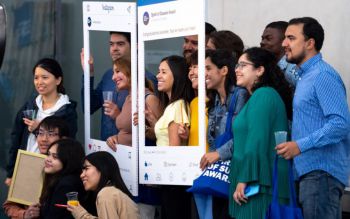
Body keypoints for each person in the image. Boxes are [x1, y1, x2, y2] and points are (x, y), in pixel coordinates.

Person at [276, 17, 350, 219]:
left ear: (310, 43)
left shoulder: (322, 75)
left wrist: (300, 145)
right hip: (310, 174)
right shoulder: (304, 76)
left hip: (321, 174)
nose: (284, 44)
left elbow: (340, 124)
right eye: (284, 38)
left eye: (291, 38)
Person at [229, 47, 293, 218]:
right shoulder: (259, 96)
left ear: (259, 70)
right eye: (237, 65)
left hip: (258, 184)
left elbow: (256, 141)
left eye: (243, 65)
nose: (237, 69)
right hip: (254, 181)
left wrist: (244, 179)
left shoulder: (264, 95)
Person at [6, 58, 77, 186]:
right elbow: (15, 139)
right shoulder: (29, 106)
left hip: (52, 174)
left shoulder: (67, 110)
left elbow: (68, 144)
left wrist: (39, 128)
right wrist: (11, 173)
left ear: (58, 80)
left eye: (45, 77)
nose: (39, 82)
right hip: (26, 167)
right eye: (36, 78)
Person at [81, 31, 157, 141]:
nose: (114, 48)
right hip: (107, 148)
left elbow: (154, 132)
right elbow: (88, 107)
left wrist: (119, 115)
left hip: (132, 153)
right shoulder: (108, 75)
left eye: (120, 44)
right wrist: (89, 73)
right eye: (111, 44)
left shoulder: (146, 79)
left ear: (135, 46)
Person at [202, 49, 248, 219]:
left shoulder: (240, 95)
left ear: (223, 70)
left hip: (237, 174)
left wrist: (218, 154)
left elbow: (244, 136)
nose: (203, 73)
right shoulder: (214, 100)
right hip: (220, 173)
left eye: (208, 68)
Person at [3, 116, 70, 219]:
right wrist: (25, 214)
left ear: (63, 139)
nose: (44, 139)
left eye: (51, 134)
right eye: (40, 133)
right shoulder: (28, 163)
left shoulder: (71, 170)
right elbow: (9, 205)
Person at [152, 55, 194, 219]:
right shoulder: (173, 105)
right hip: (170, 180)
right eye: (158, 71)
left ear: (176, 76)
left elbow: (174, 151)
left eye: (163, 72)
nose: (158, 76)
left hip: (173, 180)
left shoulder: (177, 106)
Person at [67, 151, 140, 219]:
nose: (81, 175)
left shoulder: (106, 193)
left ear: (102, 168)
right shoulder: (111, 191)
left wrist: (81, 214)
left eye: (86, 168)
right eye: (82, 170)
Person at [39, 138, 86, 219]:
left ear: (68, 160)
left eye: (55, 157)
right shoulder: (60, 179)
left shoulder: (67, 185)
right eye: (48, 154)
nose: (47, 159)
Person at [260, 21, 298, 86]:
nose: (262, 42)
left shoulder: (293, 69)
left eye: (268, 38)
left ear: (285, 41)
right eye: (262, 38)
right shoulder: (269, 66)